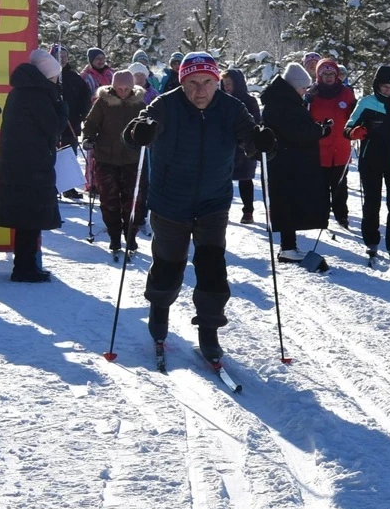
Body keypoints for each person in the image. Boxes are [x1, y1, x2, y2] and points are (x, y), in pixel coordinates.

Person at [124, 53, 273, 360]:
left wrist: (262, 142)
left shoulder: (232, 108)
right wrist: (139, 132)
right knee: (168, 265)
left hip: (213, 203)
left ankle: (209, 330)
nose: (200, 90)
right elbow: (136, 130)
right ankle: (160, 311)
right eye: (192, 83)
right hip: (169, 202)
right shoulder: (165, 104)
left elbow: (251, 139)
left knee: (212, 269)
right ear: (183, 83)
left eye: (208, 82)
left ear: (217, 82)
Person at [0, 47, 68, 280]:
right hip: (31, 165)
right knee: (30, 216)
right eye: (56, 75)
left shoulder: (21, 90)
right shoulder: (36, 94)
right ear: (48, 75)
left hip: (19, 163)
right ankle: (25, 268)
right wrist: (62, 109)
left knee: (24, 216)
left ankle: (25, 265)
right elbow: (52, 127)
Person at [346, 65, 390, 263]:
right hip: (371, 157)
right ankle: (371, 240)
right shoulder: (367, 102)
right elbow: (349, 126)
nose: (388, 90)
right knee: (372, 201)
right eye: (384, 86)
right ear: (377, 85)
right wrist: (354, 132)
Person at [261, 62, 329, 261]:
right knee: (288, 204)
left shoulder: (283, 100)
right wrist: (320, 130)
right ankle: (287, 248)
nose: (305, 91)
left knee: (289, 204)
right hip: (287, 162)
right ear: (293, 85)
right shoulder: (282, 103)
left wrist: (317, 128)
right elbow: (296, 132)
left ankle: (289, 246)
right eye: (303, 87)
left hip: (288, 160)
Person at [82, 67, 149, 257]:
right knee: (109, 199)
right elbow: (91, 123)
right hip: (106, 157)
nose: (122, 91)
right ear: (112, 87)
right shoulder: (103, 102)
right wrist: (89, 137)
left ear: (132, 87)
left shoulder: (138, 104)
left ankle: (131, 235)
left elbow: (147, 125)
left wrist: (148, 138)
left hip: (132, 158)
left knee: (132, 201)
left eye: (126, 88)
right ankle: (113, 236)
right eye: (119, 88)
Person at [308, 59, 357, 229]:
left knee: (340, 185)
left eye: (332, 74)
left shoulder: (346, 92)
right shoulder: (312, 93)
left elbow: (354, 116)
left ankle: (341, 215)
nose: (329, 77)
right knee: (320, 185)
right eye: (325, 74)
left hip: (341, 146)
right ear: (319, 75)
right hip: (320, 147)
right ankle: (321, 215)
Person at [224, 68, 263, 224]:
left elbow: (256, 121)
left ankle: (248, 211)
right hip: (226, 145)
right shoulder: (221, 100)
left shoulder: (249, 100)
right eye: (224, 84)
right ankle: (222, 209)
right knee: (223, 180)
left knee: (245, 179)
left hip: (245, 147)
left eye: (229, 83)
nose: (226, 87)